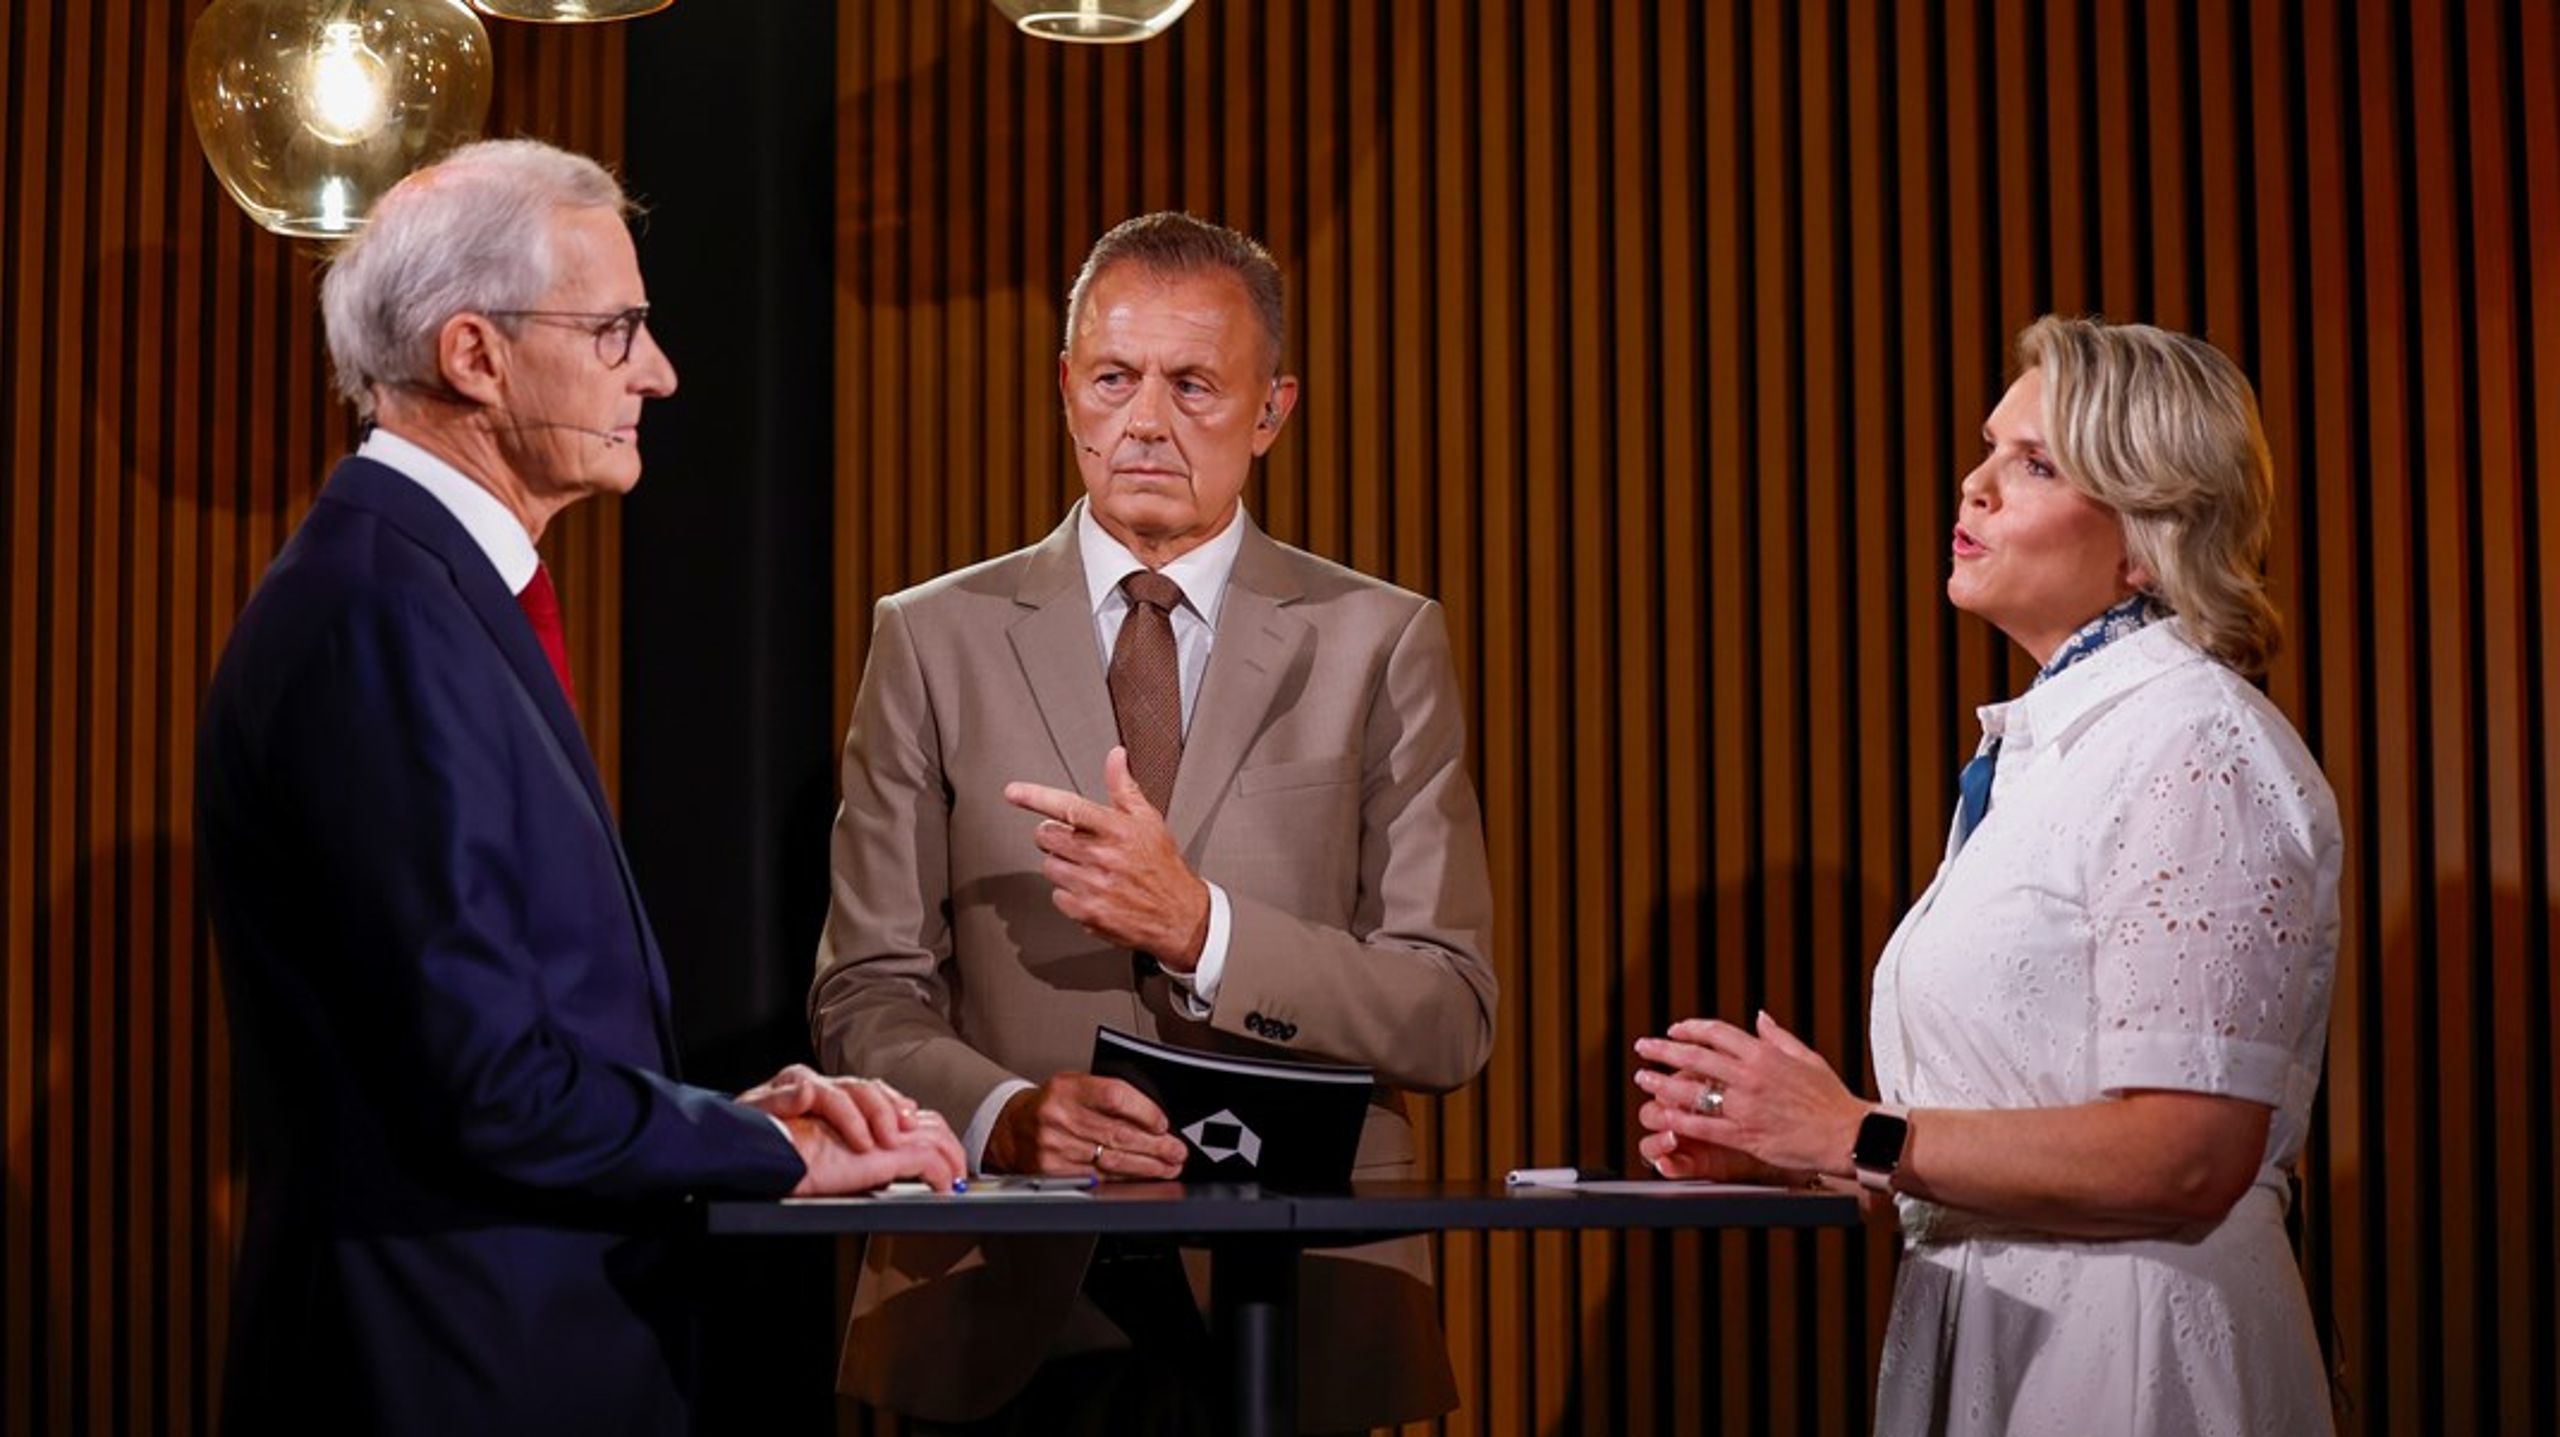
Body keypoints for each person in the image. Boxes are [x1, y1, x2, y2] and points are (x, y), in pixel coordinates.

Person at [196, 139, 965, 1437]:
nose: (657, 373)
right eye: (616, 332)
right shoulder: (380, 615)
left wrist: (712, 1117)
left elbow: (498, 1040)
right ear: (475, 356)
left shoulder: (415, 590)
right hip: (449, 1376)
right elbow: (483, 1081)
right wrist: (776, 1149)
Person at [811, 211, 1498, 1433]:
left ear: (1271, 411)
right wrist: (1006, 1116)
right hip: (1000, 1290)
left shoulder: (1380, 642)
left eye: (1193, 386)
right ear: (1067, 391)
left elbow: (1447, 1015)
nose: (1146, 422)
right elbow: (865, 991)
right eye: (1115, 379)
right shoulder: (930, 637)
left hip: (1293, 1290)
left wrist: (1204, 933)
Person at [1633, 316, 2341, 1434]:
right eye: (1990, 447)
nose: (1973, 486)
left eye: (2035, 464)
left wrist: (1857, 1134)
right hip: (2003, 1331)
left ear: (2145, 540)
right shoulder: (2050, 750)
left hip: (2135, 1360)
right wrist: (1807, 1151)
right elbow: (2013, 1118)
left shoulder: (2192, 747)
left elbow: (2188, 1154)